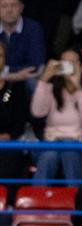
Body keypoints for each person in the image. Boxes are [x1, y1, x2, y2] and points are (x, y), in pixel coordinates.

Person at [31, 50, 82, 186]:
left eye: (73, 62)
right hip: (51, 142)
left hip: (78, 143)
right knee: (49, 156)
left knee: (69, 152)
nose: (69, 66)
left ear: (81, 66)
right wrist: (44, 80)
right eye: (65, 62)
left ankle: (75, 197)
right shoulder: (51, 88)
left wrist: (78, 88)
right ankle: (37, 196)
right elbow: (37, 112)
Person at [0, 42, 29, 187]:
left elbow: (19, 123)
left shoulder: (16, 88)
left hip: (7, 144)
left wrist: (8, 136)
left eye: (0, 56)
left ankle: (8, 199)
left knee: (10, 155)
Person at [0, 0, 46, 89]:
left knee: (34, 81)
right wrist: (12, 76)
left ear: (21, 8)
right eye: (4, 6)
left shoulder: (33, 28)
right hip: (11, 75)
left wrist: (4, 71)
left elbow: (36, 65)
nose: (9, 10)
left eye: (14, 5)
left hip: (25, 78)